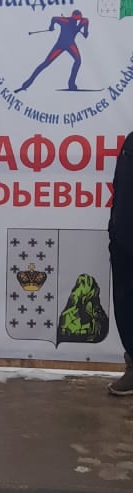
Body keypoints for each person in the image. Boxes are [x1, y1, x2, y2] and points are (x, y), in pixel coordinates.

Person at [108, 132, 133, 396]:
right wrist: (113, 231)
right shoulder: (130, 142)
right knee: (126, 307)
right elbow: (119, 187)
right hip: (124, 242)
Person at [15, 10, 89, 94]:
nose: (76, 21)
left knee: (78, 61)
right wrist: (51, 26)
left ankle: (71, 84)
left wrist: (85, 32)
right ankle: (26, 85)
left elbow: (86, 24)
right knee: (46, 63)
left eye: (77, 19)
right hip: (61, 45)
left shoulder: (82, 21)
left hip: (70, 44)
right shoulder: (66, 20)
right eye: (75, 19)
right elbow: (54, 18)